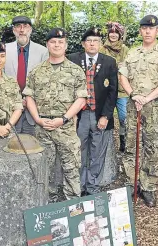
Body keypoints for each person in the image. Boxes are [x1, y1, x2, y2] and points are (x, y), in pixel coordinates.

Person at [23, 28, 87, 201]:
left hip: (66, 128)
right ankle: (47, 204)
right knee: (44, 169)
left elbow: (81, 99)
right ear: (47, 45)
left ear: (66, 45)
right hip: (42, 128)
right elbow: (29, 96)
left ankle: (73, 204)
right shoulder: (36, 71)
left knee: (71, 168)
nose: (57, 45)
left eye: (60, 42)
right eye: (53, 42)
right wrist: (37, 119)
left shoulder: (75, 71)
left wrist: (64, 118)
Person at [119, 15, 158, 207]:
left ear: (157, 31)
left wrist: (147, 98)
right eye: (144, 28)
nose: (148, 31)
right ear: (140, 31)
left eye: (152, 28)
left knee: (152, 146)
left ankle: (149, 186)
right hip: (134, 106)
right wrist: (134, 95)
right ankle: (132, 184)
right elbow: (122, 76)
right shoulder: (132, 54)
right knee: (131, 145)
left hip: (154, 107)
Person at [68, 27, 118, 196]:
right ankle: (79, 186)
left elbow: (113, 91)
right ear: (83, 44)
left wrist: (106, 116)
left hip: (99, 115)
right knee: (79, 152)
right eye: (89, 40)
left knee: (97, 153)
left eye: (96, 41)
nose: (92, 44)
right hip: (79, 115)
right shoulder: (73, 59)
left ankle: (93, 187)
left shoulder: (109, 62)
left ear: (100, 43)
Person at [4, 16, 49, 136]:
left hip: (34, 112)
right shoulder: (4, 50)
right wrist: (17, 100)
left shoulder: (42, 52)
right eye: (18, 26)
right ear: (14, 30)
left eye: (25, 26)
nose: (22, 30)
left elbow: (45, 82)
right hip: (10, 110)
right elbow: (0, 79)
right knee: (9, 149)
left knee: (33, 149)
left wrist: (28, 100)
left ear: (31, 29)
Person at [99, 21, 130, 152]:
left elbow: (128, 66)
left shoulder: (125, 50)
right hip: (107, 89)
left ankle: (124, 140)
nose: (113, 35)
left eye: (115, 33)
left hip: (122, 90)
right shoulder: (102, 49)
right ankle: (107, 143)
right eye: (111, 33)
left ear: (120, 35)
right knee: (106, 116)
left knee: (124, 117)